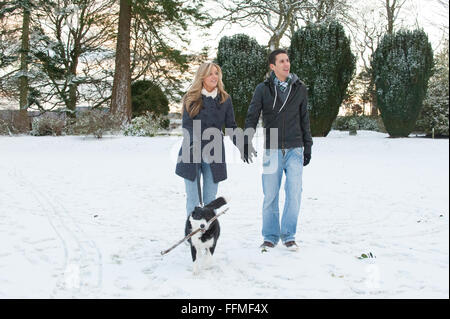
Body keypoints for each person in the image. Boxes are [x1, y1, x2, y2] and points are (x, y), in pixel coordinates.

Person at [243, 49, 313, 251]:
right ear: (272, 66)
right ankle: (270, 236)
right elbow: (252, 115)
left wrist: (307, 146)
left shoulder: (299, 88)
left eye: (288, 60)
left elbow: (304, 119)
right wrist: (246, 140)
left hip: (295, 147)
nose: (286, 64)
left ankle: (289, 236)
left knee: (294, 193)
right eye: (281, 61)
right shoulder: (263, 89)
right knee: (271, 195)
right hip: (272, 146)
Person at [176, 62, 240, 216]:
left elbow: (231, 126)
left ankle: (208, 235)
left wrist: (243, 144)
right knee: (193, 200)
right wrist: (193, 143)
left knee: (210, 200)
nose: (214, 76)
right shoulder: (191, 97)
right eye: (210, 73)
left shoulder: (224, 99)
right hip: (191, 152)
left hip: (214, 152)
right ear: (202, 76)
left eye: (216, 73)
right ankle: (193, 236)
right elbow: (187, 125)